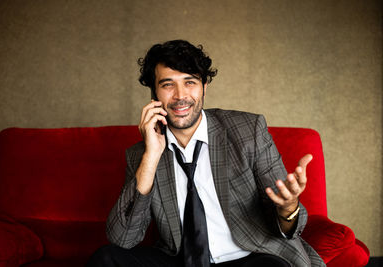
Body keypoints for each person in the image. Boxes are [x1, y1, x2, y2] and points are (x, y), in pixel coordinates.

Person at [87, 40, 325, 267]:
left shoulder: (247, 131)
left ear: (204, 86)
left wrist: (288, 207)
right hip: (180, 259)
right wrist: (151, 156)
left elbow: (286, 222)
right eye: (168, 84)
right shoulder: (141, 154)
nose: (180, 95)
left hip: (248, 257)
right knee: (106, 259)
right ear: (154, 95)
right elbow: (122, 239)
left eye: (190, 81)